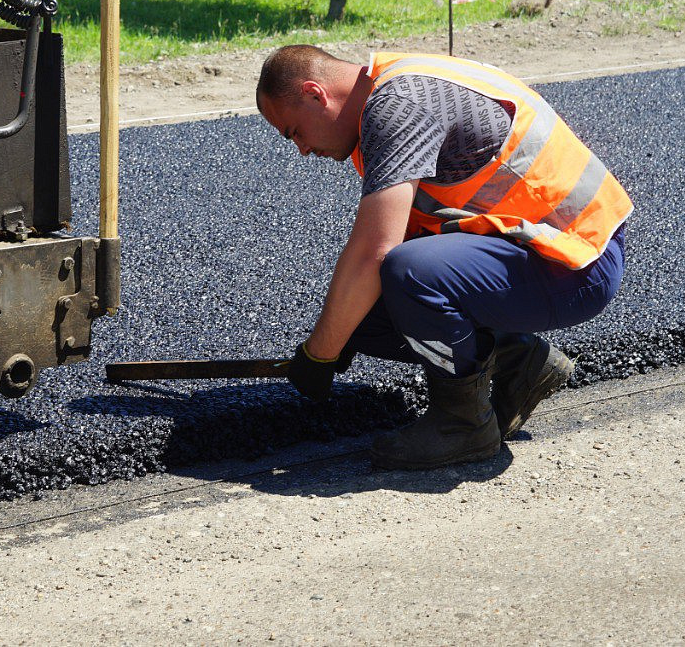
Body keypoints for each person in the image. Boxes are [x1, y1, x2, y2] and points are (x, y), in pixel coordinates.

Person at [256, 45, 631, 470]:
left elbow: (375, 252)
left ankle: (463, 426)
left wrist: (320, 354)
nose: (301, 149)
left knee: (406, 273)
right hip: (541, 258)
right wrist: (337, 336)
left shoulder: (398, 106)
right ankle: (519, 360)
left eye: (294, 132)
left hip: (577, 262)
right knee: (357, 309)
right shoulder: (390, 87)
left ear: (314, 93)